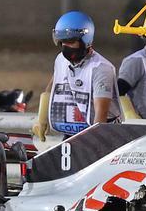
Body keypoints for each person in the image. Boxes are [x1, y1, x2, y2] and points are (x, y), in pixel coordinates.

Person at [32, 11, 121, 143]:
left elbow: (100, 119)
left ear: (86, 40)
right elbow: (52, 88)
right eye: (62, 42)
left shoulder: (101, 69)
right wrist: (42, 118)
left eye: (71, 41)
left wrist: (92, 145)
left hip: (103, 135)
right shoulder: (60, 60)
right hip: (73, 133)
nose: (65, 47)